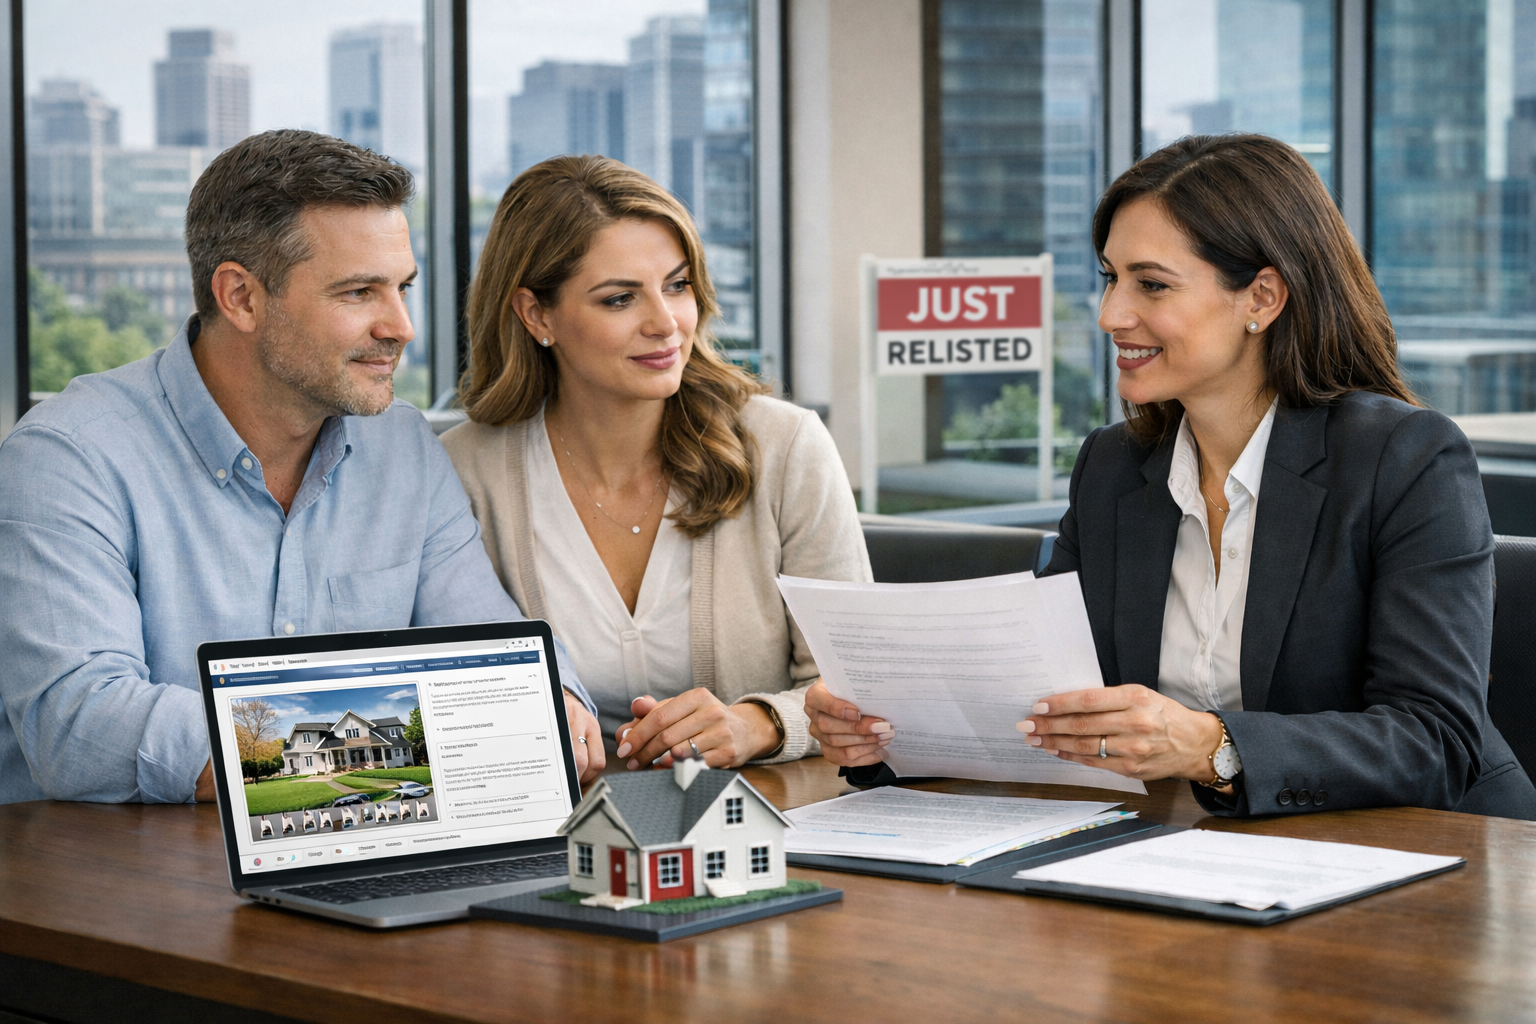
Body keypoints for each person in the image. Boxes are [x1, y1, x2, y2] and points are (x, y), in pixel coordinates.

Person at [807, 134, 1536, 818]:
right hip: (1199, 854)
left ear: (1262, 298)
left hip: (1434, 863)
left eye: (1151, 285)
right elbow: (1045, 705)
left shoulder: (1406, 459)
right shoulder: (1112, 469)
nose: (1110, 314)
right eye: (1111, 279)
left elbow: (1434, 741)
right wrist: (887, 739)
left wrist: (1209, 746)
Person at [0, 130, 603, 806]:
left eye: (402, 286)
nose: (402, 325)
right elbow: (81, 729)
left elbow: (502, 662)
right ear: (241, 297)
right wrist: (395, 746)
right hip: (110, 883)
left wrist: (551, 699)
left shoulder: (401, 447)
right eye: (358, 293)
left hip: (350, 845)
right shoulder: (69, 456)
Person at [442, 154, 869, 772]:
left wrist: (757, 724)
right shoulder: (464, 471)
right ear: (536, 314)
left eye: (677, 285)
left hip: (765, 820)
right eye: (619, 299)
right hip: (558, 839)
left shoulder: (786, 446)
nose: (666, 324)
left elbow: (859, 691)